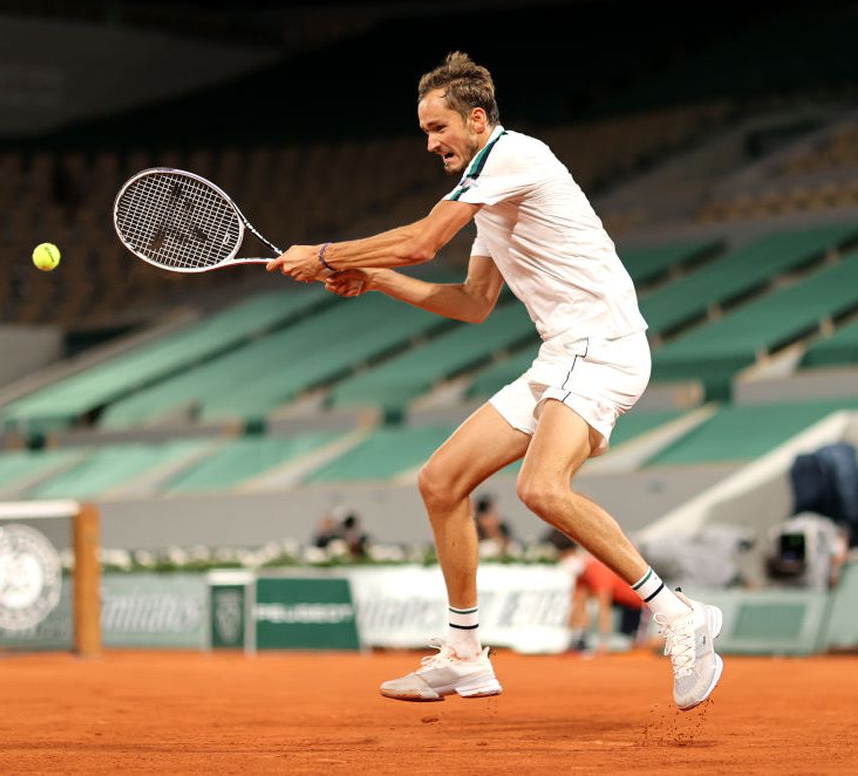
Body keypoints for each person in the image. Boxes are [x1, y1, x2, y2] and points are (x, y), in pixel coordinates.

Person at [268, 52, 723, 710]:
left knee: (539, 487)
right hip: (561, 356)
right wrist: (377, 278)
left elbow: (422, 240)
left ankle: (679, 614)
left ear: (477, 121)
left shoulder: (515, 157)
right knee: (441, 481)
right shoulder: (488, 193)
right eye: (424, 131)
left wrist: (328, 254)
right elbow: (473, 302)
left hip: (604, 347)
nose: (430, 143)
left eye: (438, 128)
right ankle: (464, 654)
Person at [550, 530, 649, 655]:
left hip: (637, 604)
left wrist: (604, 644)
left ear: (573, 553)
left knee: (636, 647)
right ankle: (579, 639)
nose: (562, 560)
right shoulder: (580, 575)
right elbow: (578, 607)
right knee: (581, 597)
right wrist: (573, 637)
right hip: (618, 600)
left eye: (564, 556)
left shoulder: (597, 570)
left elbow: (604, 610)